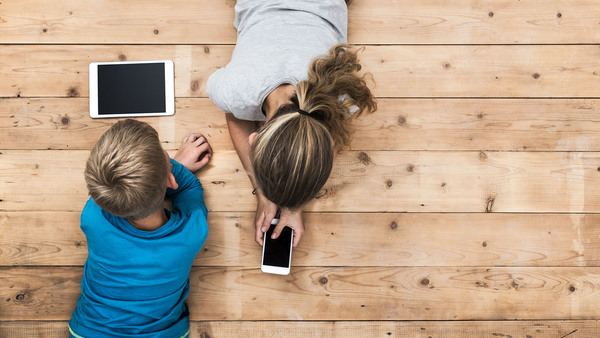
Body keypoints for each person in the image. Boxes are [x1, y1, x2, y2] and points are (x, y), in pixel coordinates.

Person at [206, 0, 376, 248]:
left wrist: (284, 201)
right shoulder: (235, 90)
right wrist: (270, 195)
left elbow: (327, 143)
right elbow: (234, 113)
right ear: (253, 140)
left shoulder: (341, 97)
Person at [68, 119, 213, 338]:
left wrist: (165, 169)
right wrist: (171, 167)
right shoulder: (193, 231)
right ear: (171, 181)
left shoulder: (93, 216)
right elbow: (189, 187)